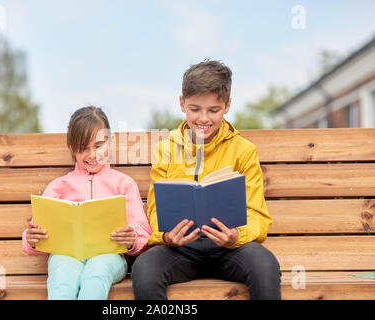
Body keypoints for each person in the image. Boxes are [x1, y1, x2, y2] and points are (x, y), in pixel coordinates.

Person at [131, 60, 281, 300]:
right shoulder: (166, 149)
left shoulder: (244, 150)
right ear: (182, 103)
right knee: (145, 268)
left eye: (214, 110)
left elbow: (258, 214)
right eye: (195, 109)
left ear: (227, 106)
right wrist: (167, 236)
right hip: (180, 249)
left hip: (230, 248)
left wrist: (236, 236)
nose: (203, 119)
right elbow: (155, 207)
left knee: (265, 265)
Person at [22, 106, 152, 300]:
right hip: (66, 255)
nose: (92, 155)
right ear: (73, 149)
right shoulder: (59, 187)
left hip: (109, 256)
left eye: (99, 146)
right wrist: (31, 238)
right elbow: (39, 232)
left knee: (95, 275)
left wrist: (132, 238)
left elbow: (143, 232)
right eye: (84, 148)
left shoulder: (123, 184)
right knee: (62, 280)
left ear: (110, 142)